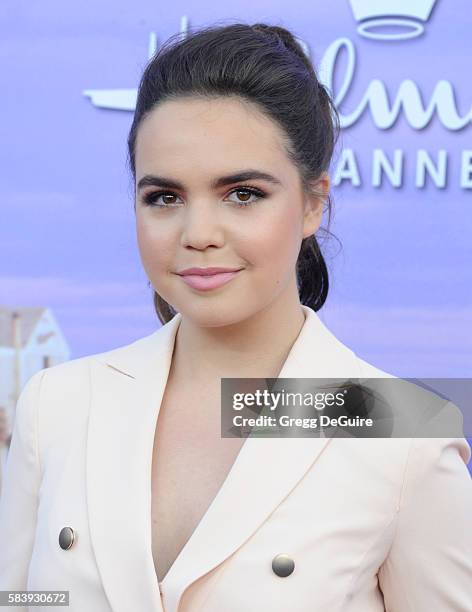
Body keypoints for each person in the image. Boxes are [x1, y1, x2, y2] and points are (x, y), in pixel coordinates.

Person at [0, 21, 471, 612]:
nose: (198, 234)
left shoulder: (401, 430)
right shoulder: (60, 405)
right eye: (164, 197)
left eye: (242, 194)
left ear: (312, 203)